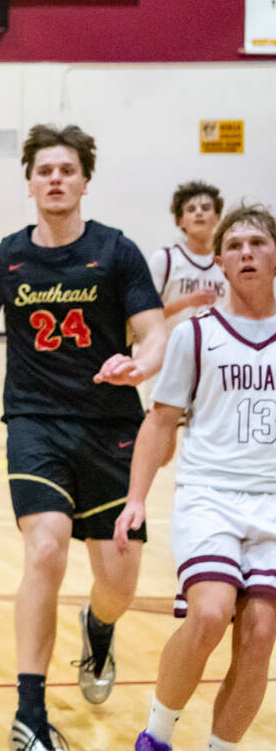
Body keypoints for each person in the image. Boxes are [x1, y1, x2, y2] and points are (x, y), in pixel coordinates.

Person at [0, 124, 166, 751]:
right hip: (35, 424)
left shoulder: (117, 253)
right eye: (45, 170)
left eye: (67, 169)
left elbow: (153, 330)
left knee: (118, 585)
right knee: (45, 548)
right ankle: (29, 714)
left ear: (85, 180)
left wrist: (140, 365)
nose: (56, 179)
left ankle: (98, 628)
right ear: (30, 183)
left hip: (113, 428)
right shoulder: (5, 258)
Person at [115, 204, 276, 751]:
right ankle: (157, 736)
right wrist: (137, 499)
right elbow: (160, 421)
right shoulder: (196, 336)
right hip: (210, 495)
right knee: (209, 614)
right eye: (234, 246)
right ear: (221, 266)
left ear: (275, 256)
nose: (246, 252)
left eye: (257, 242)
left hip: (273, 503)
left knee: (258, 636)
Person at [149, 181, 228, 329]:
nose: (199, 212)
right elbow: (148, 317)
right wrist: (187, 302)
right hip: (173, 347)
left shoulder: (229, 259)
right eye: (191, 209)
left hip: (217, 347)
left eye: (205, 208)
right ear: (179, 221)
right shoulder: (165, 259)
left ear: (217, 217)